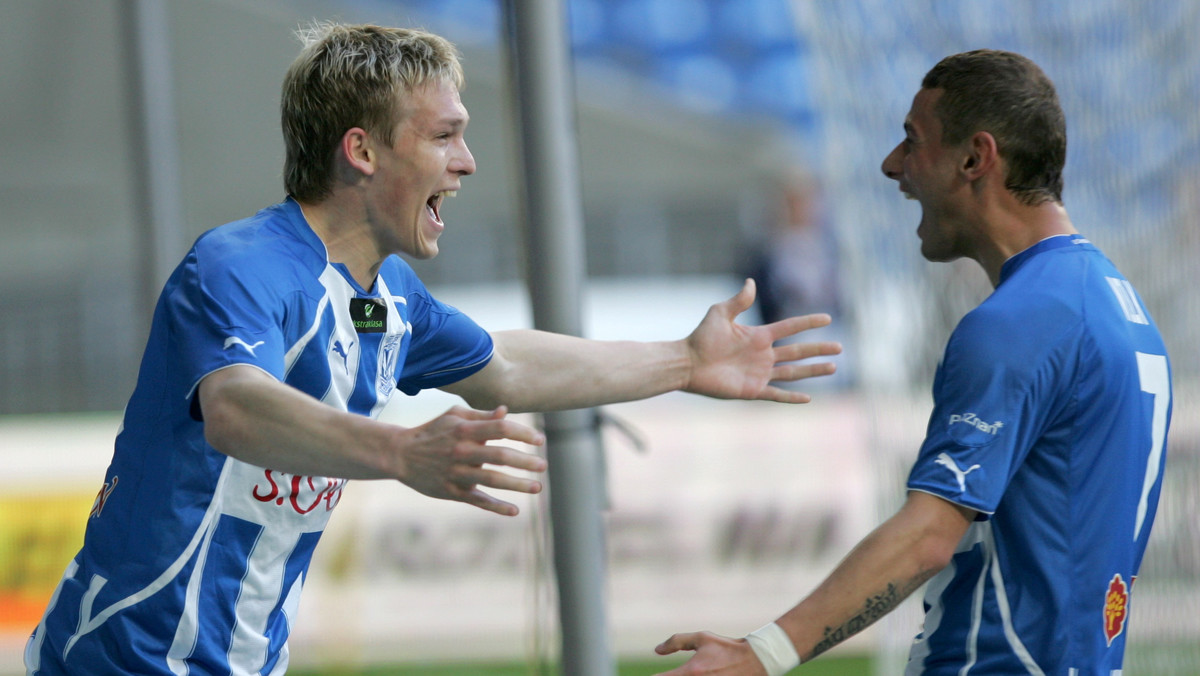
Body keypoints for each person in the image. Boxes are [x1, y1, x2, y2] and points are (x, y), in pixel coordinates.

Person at [24, 22, 841, 675]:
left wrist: (683, 363)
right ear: (364, 150)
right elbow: (235, 407)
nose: (468, 161)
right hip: (123, 657)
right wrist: (400, 451)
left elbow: (508, 365)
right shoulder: (240, 265)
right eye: (445, 136)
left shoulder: (387, 297)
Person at [655, 49, 1172, 675]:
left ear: (975, 158)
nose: (892, 165)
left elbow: (928, 536)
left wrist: (762, 653)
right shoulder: (1114, 302)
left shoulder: (1023, 322)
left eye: (911, 140)